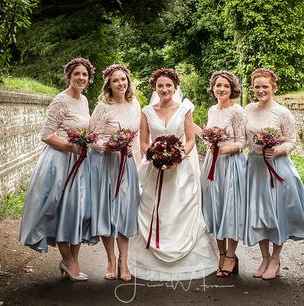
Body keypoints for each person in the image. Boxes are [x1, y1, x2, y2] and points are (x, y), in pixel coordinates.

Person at [128, 68, 217, 281]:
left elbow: (189, 140)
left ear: (175, 87)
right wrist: (155, 156)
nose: (165, 89)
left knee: (181, 208)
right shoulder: (146, 111)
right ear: (154, 88)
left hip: (181, 170)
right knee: (155, 209)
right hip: (155, 169)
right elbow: (143, 142)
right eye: (160, 86)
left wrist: (177, 157)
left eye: (168, 85)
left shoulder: (185, 109)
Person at [19, 58, 95, 281]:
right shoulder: (59, 101)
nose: (81, 78)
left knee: (80, 210)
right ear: (69, 76)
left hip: (80, 163)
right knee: (61, 208)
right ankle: (69, 261)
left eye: (85, 75)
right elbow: (46, 134)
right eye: (77, 74)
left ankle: (72, 259)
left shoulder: (84, 101)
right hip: (60, 162)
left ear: (89, 79)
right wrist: (70, 146)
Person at [244, 67, 304, 280]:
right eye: (257, 87)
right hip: (256, 166)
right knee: (259, 214)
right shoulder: (248, 109)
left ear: (273, 87)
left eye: (265, 86)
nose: (260, 90)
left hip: (278, 166)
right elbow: (242, 136)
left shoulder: (283, 112)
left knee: (276, 214)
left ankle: (275, 259)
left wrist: (277, 150)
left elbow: (292, 141)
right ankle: (264, 258)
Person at [89, 64, 141, 282]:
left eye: (123, 79)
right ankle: (110, 259)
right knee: (107, 212)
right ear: (108, 85)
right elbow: (92, 137)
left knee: (124, 213)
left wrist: (138, 165)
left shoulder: (135, 104)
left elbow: (136, 138)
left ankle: (124, 261)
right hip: (106, 164)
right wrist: (109, 146)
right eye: (115, 81)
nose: (121, 83)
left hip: (127, 164)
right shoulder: (103, 107)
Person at [200, 71, 247, 277]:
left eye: (226, 86)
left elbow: (242, 140)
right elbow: (210, 139)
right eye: (218, 85)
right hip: (213, 164)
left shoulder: (237, 111)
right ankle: (220, 253)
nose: (221, 89)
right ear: (213, 87)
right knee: (215, 207)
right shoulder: (212, 110)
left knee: (231, 209)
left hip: (231, 164)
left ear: (232, 89)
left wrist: (227, 149)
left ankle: (230, 256)